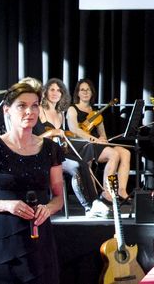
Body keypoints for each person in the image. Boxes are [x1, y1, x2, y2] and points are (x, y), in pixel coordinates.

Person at [0, 82, 64, 283]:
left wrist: (48, 208)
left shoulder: (50, 149)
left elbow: (58, 197)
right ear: (7, 110)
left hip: (40, 238)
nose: (30, 111)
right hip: (4, 238)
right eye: (22, 105)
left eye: (35, 105)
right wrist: (7, 205)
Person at [37, 78, 101, 217]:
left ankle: (95, 203)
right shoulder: (39, 110)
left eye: (59, 90)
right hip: (42, 154)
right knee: (77, 167)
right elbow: (34, 139)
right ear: (46, 92)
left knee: (84, 163)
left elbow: (60, 138)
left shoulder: (60, 113)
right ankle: (88, 207)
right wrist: (52, 132)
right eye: (52, 89)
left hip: (57, 152)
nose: (55, 93)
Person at [65, 79, 132, 207]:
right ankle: (107, 193)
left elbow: (103, 135)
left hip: (96, 144)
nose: (85, 92)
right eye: (82, 90)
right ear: (77, 93)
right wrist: (94, 139)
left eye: (88, 90)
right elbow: (74, 129)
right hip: (82, 144)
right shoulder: (72, 109)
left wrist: (102, 139)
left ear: (92, 93)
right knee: (113, 155)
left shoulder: (96, 114)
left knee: (125, 152)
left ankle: (122, 191)